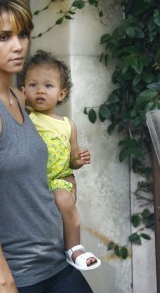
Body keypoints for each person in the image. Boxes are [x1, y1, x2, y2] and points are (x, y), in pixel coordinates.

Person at [0, 0, 94, 293]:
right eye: (4, 37)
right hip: (15, 275)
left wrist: (68, 176)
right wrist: (4, 283)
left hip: (54, 262)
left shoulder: (19, 97)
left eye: (22, 34)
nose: (18, 46)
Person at [20, 49, 101, 272]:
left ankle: (74, 247)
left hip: (56, 180)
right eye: (32, 85)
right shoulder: (25, 117)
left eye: (48, 86)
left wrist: (79, 159)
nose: (39, 91)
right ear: (23, 90)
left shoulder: (68, 125)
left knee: (65, 199)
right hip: (30, 182)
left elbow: (71, 159)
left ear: (62, 94)